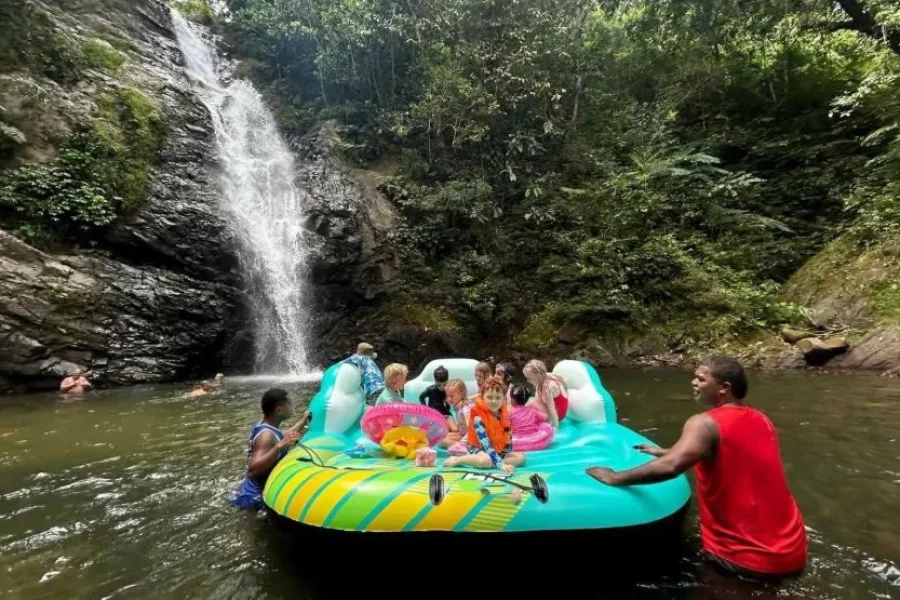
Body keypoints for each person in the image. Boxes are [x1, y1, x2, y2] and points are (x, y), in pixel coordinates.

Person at [585, 355, 807, 580]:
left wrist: (615, 477)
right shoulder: (761, 419)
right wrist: (667, 451)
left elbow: (672, 467)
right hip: (792, 548)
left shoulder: (703, 423)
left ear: (724, 388)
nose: (693, 382)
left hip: (743, 557)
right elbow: (728, 452)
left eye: (701, 379)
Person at [232, 388, 308, 510]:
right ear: (279, 410)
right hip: (255, 499)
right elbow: (253, 470)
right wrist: (279, 446)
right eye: (289, 404)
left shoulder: (266, 426)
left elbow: (281, 436)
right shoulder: (266, 435)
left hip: (256, 493)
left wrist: (303, 421)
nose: (291, 407)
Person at [444, 376, 525, 473]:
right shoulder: (478, 418)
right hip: (479, 448)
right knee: (485, 461)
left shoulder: (503, 414)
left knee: (521, 458)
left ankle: (492, 462)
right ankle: (457, 460)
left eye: (498, 397)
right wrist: (500, 464)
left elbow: (508, 439)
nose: (494, 401)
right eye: (489, 397)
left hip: (496, 447)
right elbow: (486, 444)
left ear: (503, 398)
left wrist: (504, 453)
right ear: (483, 397)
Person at [523, 359, 568, 428]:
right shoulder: (542, 381)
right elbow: (538, 401)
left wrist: (555, 427)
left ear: (537, 376)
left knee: (530, 402)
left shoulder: (548, 387)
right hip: (554, 409)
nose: (528, 381)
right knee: (531, 402)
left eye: (529, 378)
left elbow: (552, 409)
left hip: (558, 414)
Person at [440, 378, 471, 449]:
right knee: (442, 437)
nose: (448, 399)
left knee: (442, 441)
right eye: (447, 396)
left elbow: (470, 428)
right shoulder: (459, 406)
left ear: (462, 394)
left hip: (470, 438)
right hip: (464, 434)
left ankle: (463, 447)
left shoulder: (465, 409)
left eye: (452, 396)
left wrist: (463, 442)